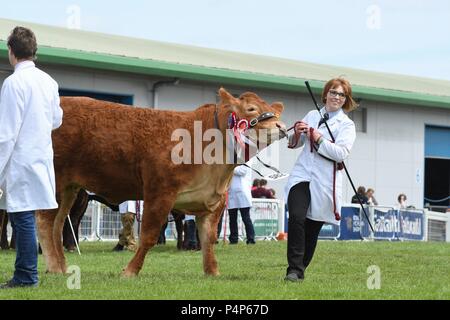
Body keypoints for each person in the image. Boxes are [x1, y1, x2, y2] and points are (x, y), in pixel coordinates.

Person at [0, 26, 63, 288]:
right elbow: (57, 120)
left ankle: (26, 276)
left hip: (20, 160)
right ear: (34, 52)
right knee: (25, 215)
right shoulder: (49, 81)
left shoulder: (13, 83)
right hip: (40, 156)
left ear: (11, 51)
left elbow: (7, 134)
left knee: (22, 216)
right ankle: (25, 273)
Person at [284, 77, 357, 282]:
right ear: (326, 94)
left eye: (341, 94)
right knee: (297, 217)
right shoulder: (312, 115)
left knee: (312, 228)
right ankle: (293, 269)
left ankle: (300, 268)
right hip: (302, 175)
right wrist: (297, 133)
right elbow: (293, 143)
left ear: (345, 99)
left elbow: (341, 153)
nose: (336, 97)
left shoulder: (347, 125)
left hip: (325, 182)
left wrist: (318, 138)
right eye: (333, 92)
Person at [227, 165, 256, 244]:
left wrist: (229, 167)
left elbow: (242, 171)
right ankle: (233, 238)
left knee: (245, 218)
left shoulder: (246, 158)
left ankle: (250, 238)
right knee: (232, 219)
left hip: (242, 192)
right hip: (231, 192)